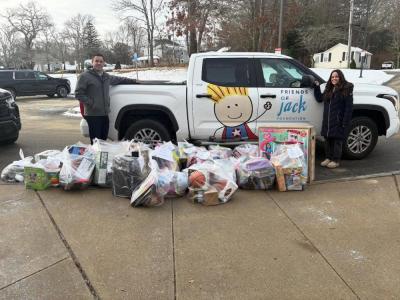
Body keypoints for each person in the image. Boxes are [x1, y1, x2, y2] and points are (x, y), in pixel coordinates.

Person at [75, 53, 137, 144]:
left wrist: (134, 81)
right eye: (96, 61)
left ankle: (101, 157)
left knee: (103, 140)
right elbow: (78, 94)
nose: (99, 63)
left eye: (101, 61)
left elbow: (120, 79)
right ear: (92, 62)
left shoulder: (106, 76)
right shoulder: (85, 76)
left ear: (104, 63)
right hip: (93, 114)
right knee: (96, 142)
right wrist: (92, 103)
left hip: (104, 114)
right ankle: (96, 157)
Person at [314, 69, 353, 169]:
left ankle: (335, 160)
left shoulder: (346, 89)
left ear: (340, 77)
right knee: (327, 140)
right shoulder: (329, 89)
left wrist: (345, 121)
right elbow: (319, 99)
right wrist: (316, 86)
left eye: (336, 76)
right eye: (332, 77)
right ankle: (328, 158)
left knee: (337, 141)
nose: (334, 78)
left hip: (338, 120)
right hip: (328, 120)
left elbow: (349, 107)